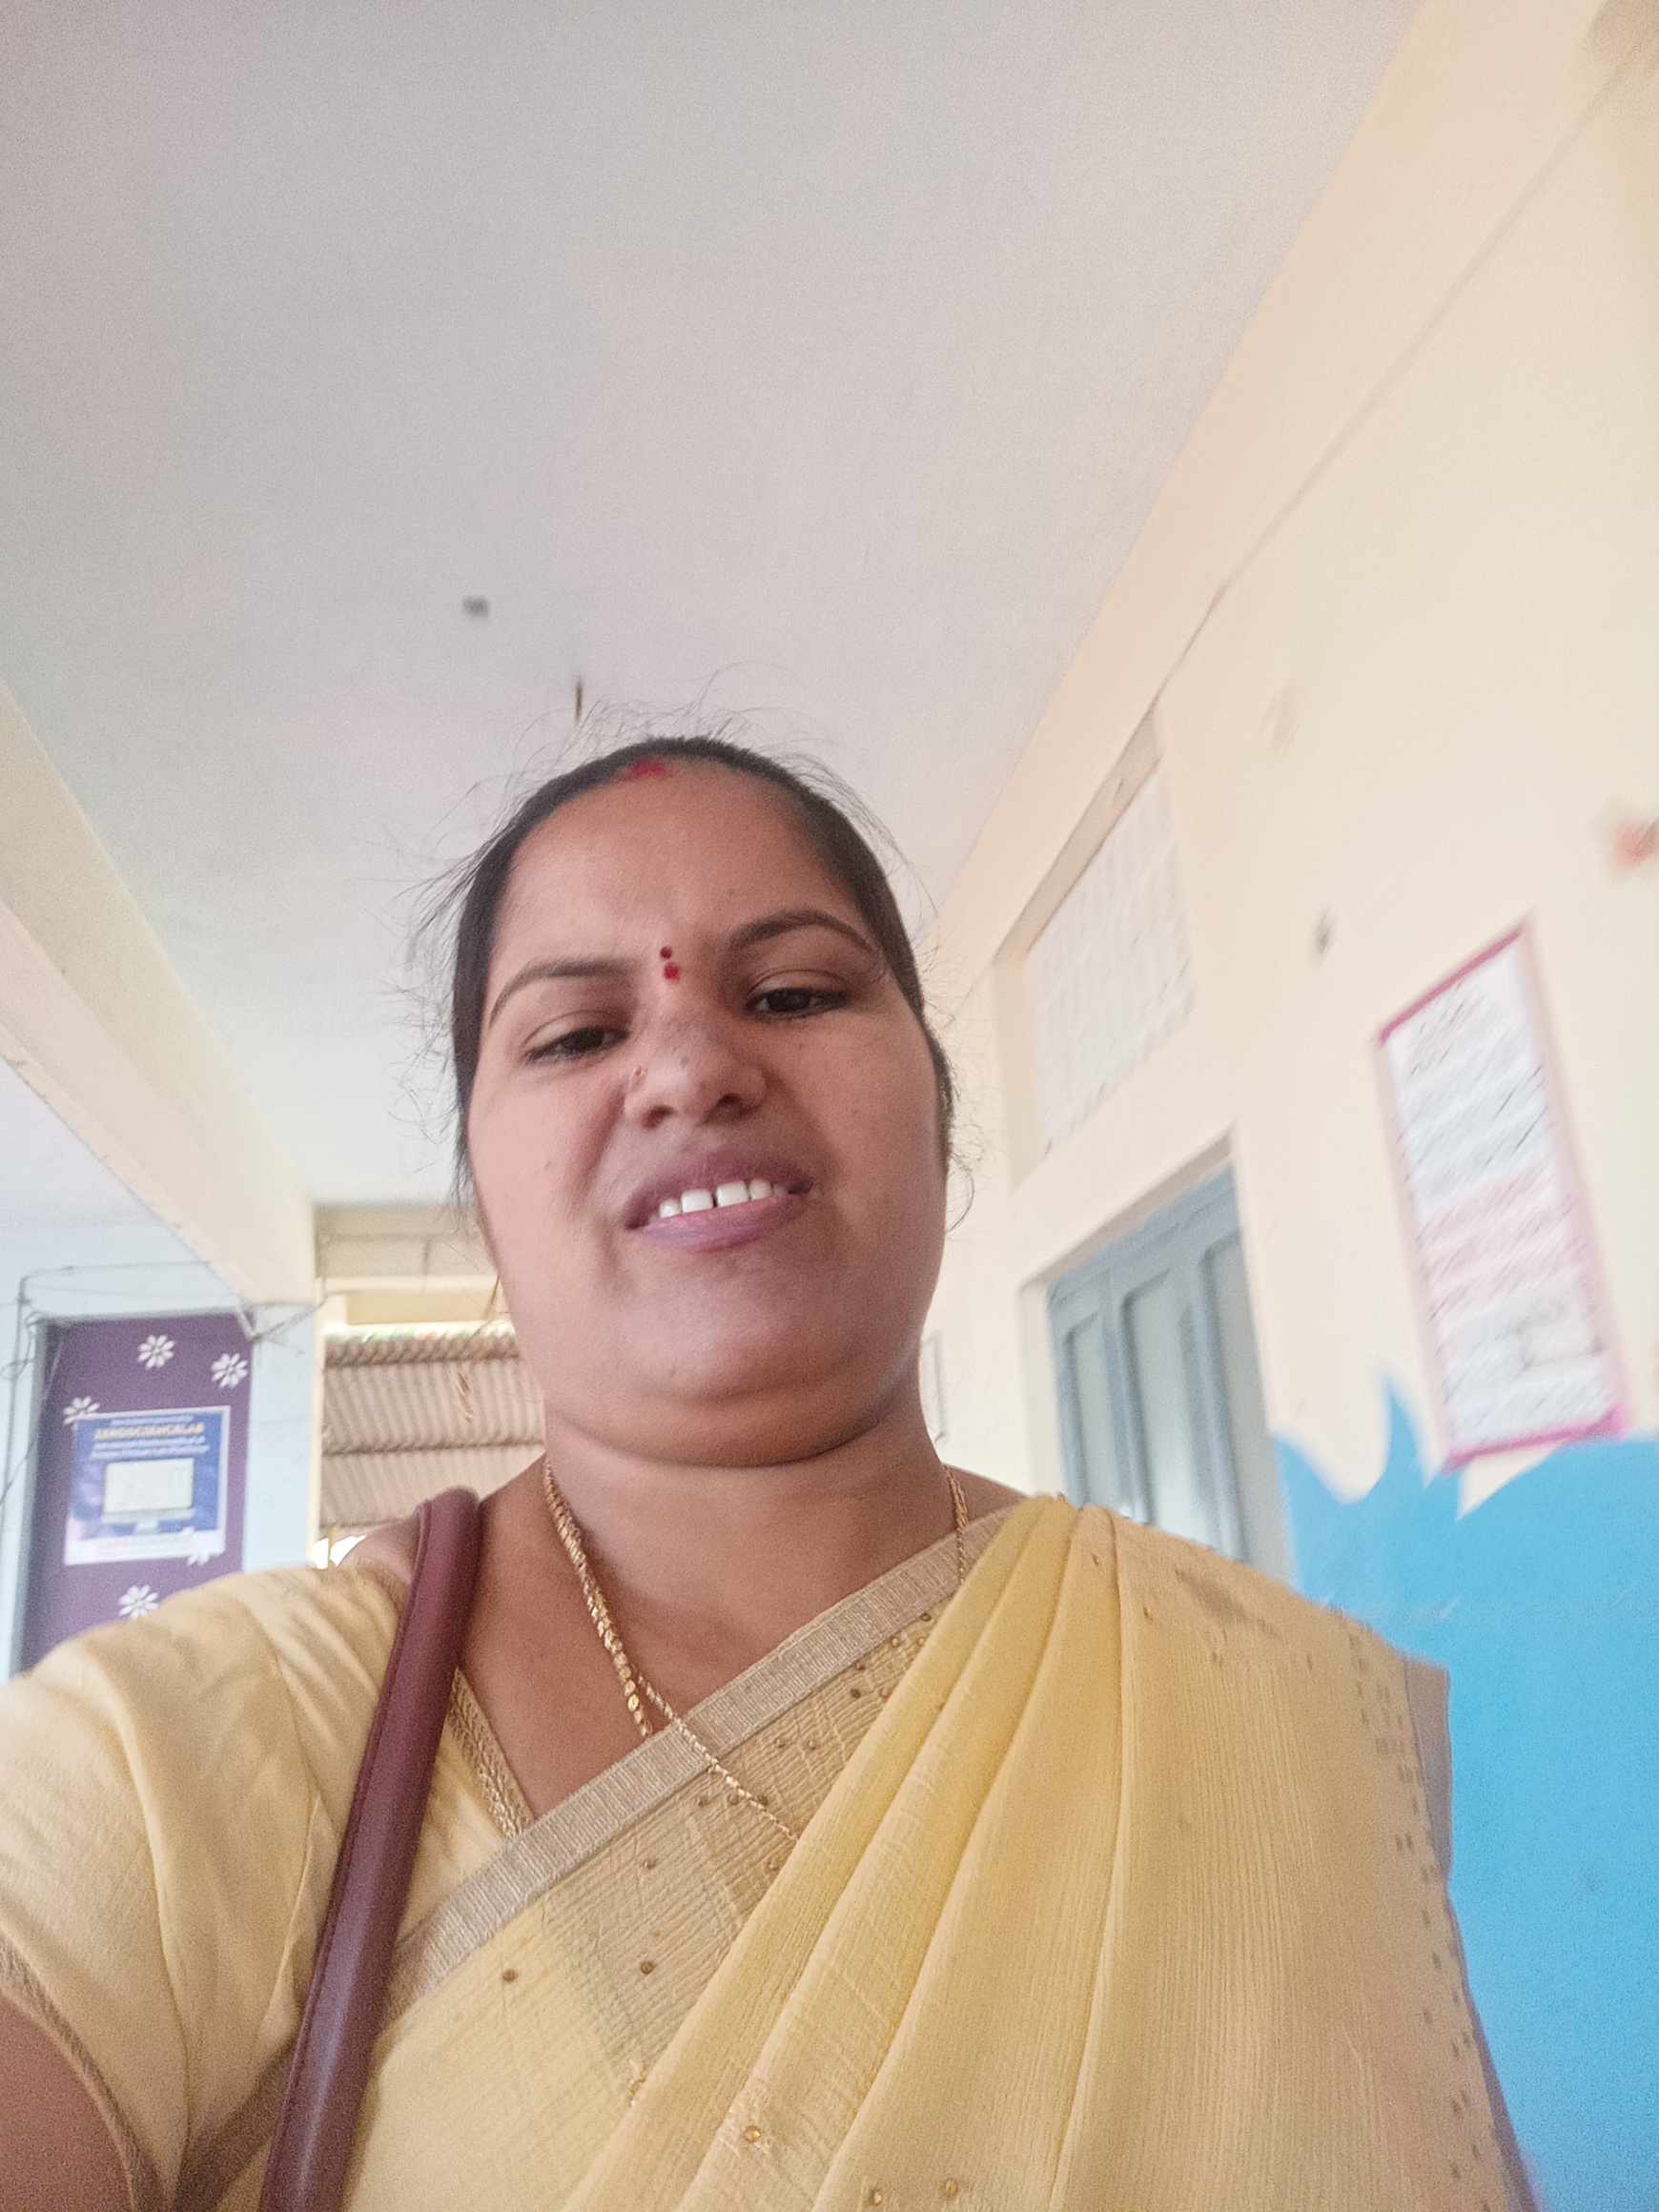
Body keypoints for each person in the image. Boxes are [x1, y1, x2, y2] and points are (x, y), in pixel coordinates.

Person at [0, 734, 1531, 2209]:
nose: (688, 1066)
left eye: (794, 992)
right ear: (482, 1200)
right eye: (575, 1035)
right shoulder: (175, 1763)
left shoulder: (1280, 1710)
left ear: (937, 1109)